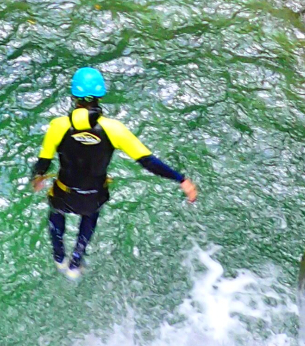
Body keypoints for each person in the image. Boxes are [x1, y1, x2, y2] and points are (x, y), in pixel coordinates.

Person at [30, 67, 198, 280]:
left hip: (64, 195)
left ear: (73, 97)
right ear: (100, 96)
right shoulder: (114, 129)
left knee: (56, 210)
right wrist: (181, 179)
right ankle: (76, 260)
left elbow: (42, 163)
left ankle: (58, 256)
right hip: (93, 197)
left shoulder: (58, 126)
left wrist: (36, 178)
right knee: (90, 214)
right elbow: (147, 161)